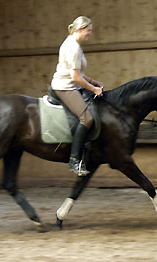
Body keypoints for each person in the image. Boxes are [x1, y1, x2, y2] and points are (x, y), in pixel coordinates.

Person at [51, 16, 103, 176]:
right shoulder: (73, 47)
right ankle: (74, 161)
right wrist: (94, 90)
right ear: (80, 29)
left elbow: (78, 73)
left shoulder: (74, 44)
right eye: (88, 31)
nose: (90, 34)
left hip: (72, 85)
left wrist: (93, 82)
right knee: (86, 118)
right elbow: (75, 77)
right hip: (65, 87)